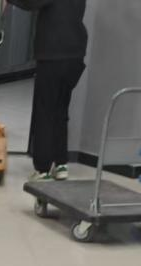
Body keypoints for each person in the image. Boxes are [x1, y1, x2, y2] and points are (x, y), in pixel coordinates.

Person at [9, 0, 87, 181]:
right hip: (75, 54)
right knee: (61, 110)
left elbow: (30, 3)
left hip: (53, 53)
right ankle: (61, 163)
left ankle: (42, 169)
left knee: (45, 111)